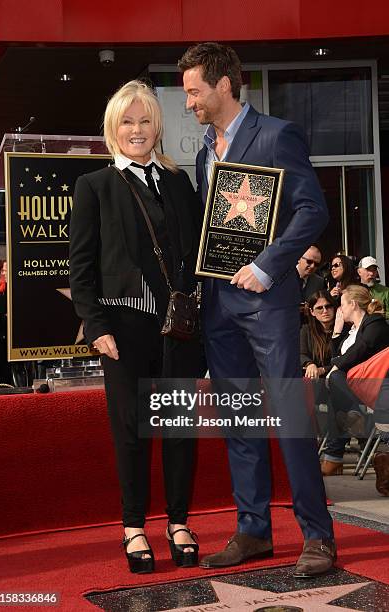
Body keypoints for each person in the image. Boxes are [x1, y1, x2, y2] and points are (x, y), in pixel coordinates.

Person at [178, 42, 335, 578]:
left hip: (267, 301)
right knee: (240, 420)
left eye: (195, 92)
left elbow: (313, 209)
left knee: (290, 417)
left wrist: (269, 266)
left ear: (225, 84)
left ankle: (318, 535)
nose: (189, 103)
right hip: (220, 306)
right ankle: (253, 532)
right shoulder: (203, 152)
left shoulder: (276, 134)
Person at [69, 80, 202, 574]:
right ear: (113, 128)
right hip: (123, 331)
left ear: (157, 127)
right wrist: (95, 324)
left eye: (146, 121)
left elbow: (194, 256)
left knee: (179, 430)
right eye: (127, 121)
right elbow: (81, 266)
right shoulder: (95, 186)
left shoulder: (178, 183)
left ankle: (179, 522)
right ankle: (133, 527)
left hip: (180, 330)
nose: (137, 130)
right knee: (131, 433)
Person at [321, 285, 389, 475]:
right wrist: (336, 333)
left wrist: (335, 368)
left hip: (374, 384)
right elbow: (335, 358)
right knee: (336, 398)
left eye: (342, 304)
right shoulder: (350, 331)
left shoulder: (375, 323)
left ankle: (334, 457)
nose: (339, 309)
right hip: (353, 386)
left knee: (335, 384)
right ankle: (336, 455)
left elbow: (361, 349)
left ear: (352, 304)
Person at [300, 290, 337, 380]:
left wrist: (323, 369)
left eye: (328, 306)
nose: (325, 311)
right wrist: (309, 364)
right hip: (313, 378)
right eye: (319, 308)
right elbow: (301, 353)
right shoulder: (306, 330)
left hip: (336, 376)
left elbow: (344, 358)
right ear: (312, 311)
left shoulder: (343, 329)